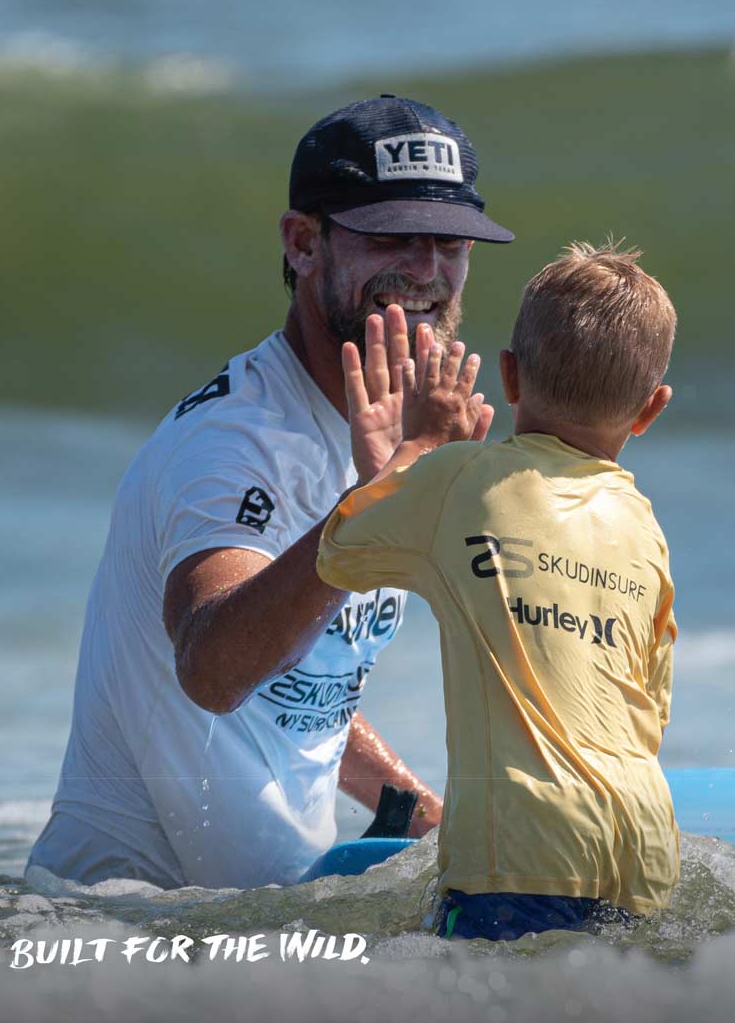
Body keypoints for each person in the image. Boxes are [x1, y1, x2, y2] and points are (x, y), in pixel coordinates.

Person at [27, 95, 513, 889]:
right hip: (126, 931)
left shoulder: (379, 431)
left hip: (262, 924)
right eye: (392, 235)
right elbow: (215, 668)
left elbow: (304, 679)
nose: (428, 270)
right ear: (302, 242)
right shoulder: (232, 442)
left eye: (451, 242)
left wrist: (421, 811)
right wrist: (375, 503)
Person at [316, 242, 679, 940]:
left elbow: (340, 551)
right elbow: (650, 707)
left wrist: (414, 450)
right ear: (650, 409)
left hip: (519, 846)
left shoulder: (458, 476)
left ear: (508, 375)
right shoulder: (644, 527)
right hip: (643, 842)